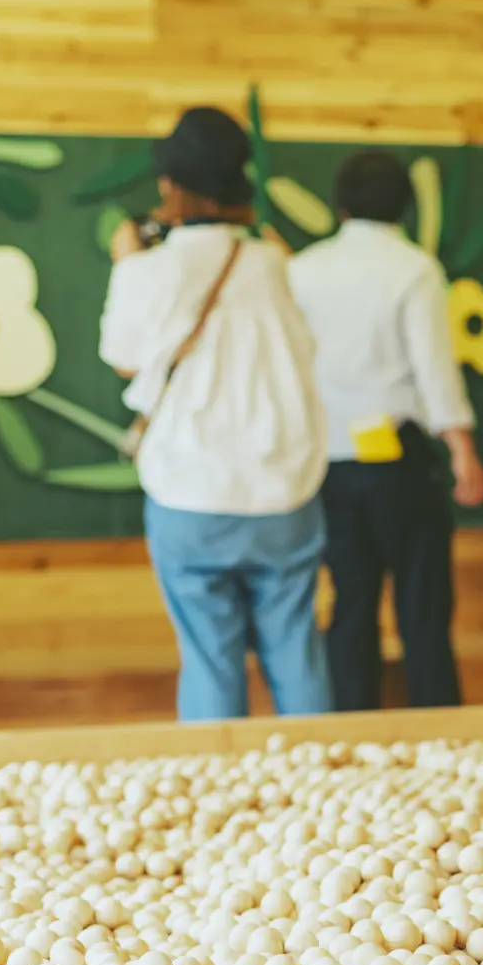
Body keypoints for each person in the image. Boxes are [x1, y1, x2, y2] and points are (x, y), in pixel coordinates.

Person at [98, 106, 332, 722]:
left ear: (170, 186)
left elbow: (124, 358)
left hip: (189, 494)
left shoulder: (148, 271)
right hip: (285, 492)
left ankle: (219, 800)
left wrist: (126, 260)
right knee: (296, 650)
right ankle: (325, 790)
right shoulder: (279, 265)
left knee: (208, 658)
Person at [287, 151, 483, 712]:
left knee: (351, 602)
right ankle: (439, 730)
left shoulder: (302, 270)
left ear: (341, 203)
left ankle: (350, 733)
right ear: (403, 204)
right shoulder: (413, 268)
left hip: (328, 458)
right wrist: (463, 451)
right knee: (422, 605)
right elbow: (434, 369)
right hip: (399, 458)